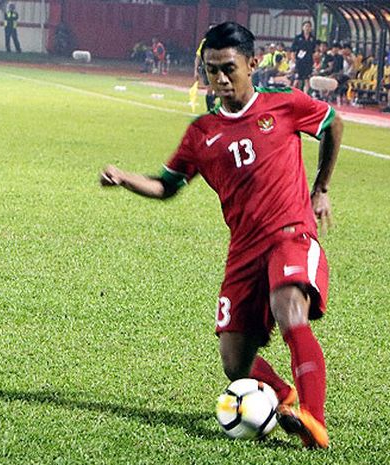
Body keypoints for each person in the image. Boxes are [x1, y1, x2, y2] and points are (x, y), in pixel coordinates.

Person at [100, 22, 342, 449]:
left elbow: (332, 124)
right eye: (212, 70)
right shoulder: (201, 133)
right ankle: (284, 397)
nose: (221, 79)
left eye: (229, 68)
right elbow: (166, 186)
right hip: (243, 250)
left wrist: (320, 188)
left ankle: (313, 420)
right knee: (235, 363)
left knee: (289, 309)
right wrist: (124, 178)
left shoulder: (284, 106)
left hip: (291, 233)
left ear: (252, 64)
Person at [194, 26, 218, 112]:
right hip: (207, 67)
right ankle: (210, 109)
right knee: (210, 89)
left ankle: (212, 104)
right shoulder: (205, 42)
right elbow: (198, 56)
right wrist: (196, 70)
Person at [291, 21, 317, 92]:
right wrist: (293, 60)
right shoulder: (298, 38)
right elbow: (293, 50)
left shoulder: (313, 39)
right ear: (303, 27)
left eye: (309, 26)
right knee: (297, 79)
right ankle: (294, 94)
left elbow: (314, 52)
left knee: (306, 79)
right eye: (306, 26)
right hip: (299, 61)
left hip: (308, 61)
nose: (307, 28)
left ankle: (305, 95)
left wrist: (314, 62)